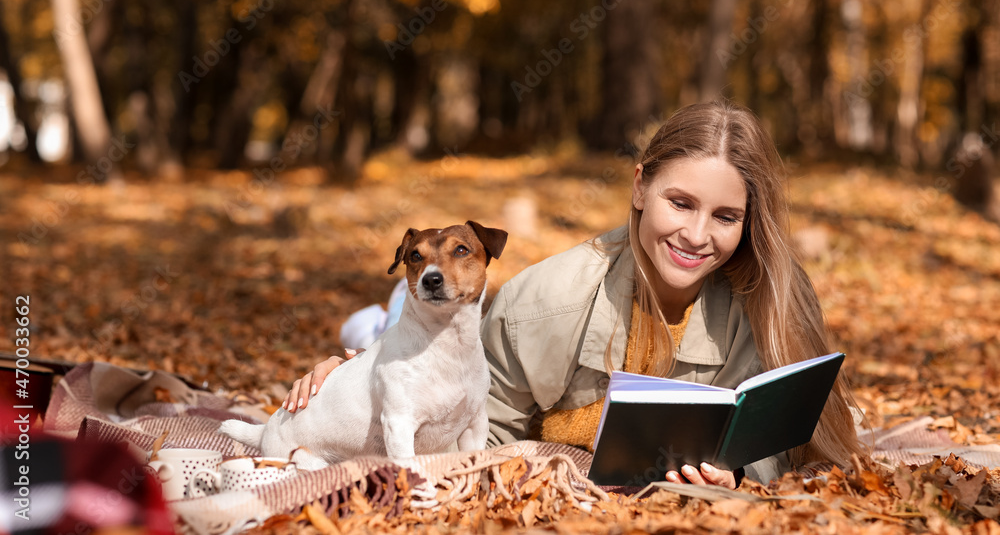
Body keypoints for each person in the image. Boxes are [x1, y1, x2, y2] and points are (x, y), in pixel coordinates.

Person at [281, 98, 865, 488]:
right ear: (640, 186)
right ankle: (370, 330)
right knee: (390, 329)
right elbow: (464, 420)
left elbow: (782, 435)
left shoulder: (768, 297)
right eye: (680, 203)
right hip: (432, 331)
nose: (696, 235)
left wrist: (738, 475)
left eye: (726, 216)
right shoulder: (540, 307)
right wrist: (361, 373)